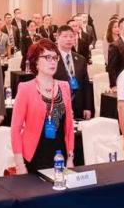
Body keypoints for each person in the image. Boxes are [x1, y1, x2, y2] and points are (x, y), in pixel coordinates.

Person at [9, 39, 76, 173]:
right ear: (36, 62)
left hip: (59, 155)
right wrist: (19, 164)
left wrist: (70, 157)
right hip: (34, 156)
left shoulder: (64, 86)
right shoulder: (25, 88)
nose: (53, 61)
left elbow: (69, 126)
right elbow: (15, 129)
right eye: (47, 57)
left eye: (55, 58)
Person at [52, 24, 92, 121]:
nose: (69, 39)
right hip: (58, 105)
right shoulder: (52, 58)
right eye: (65, 36)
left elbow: (86, 84)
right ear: (57, 38)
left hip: (78, 105)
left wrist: (87, 107)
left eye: (71, 36)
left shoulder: (81, 59)